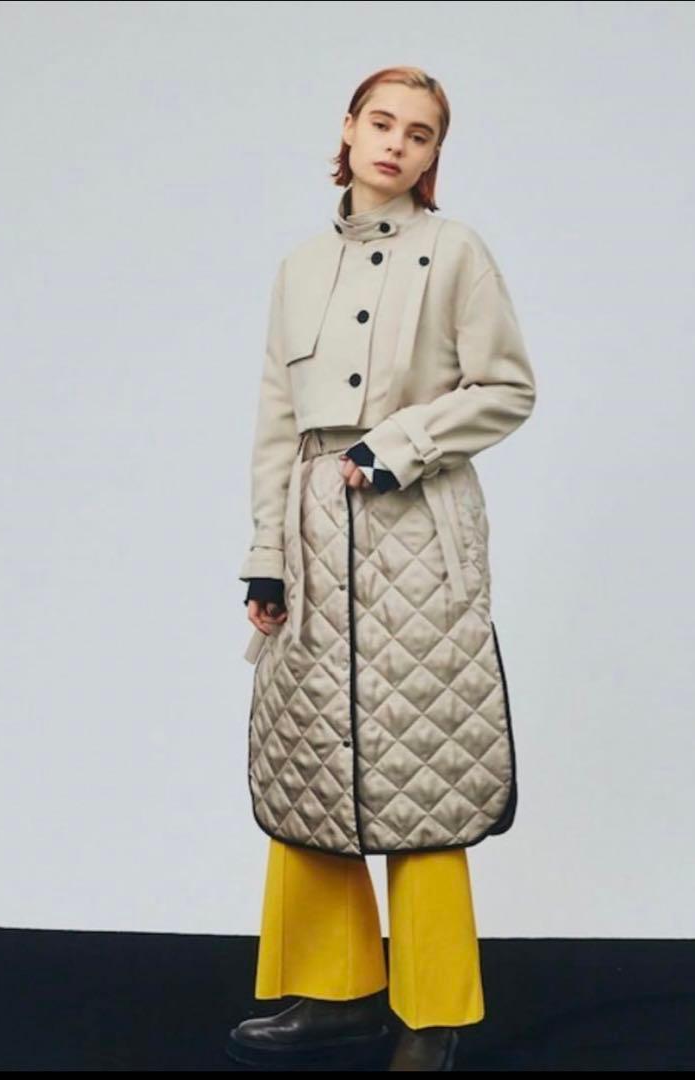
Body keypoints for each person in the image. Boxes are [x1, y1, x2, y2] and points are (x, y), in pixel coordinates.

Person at [227, 65, 536, 1072]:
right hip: (312, 530)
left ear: (434, 152)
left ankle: (432, 1011)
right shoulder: (297, 267)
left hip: (420, 532)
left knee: (426, 762)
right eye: (382, 123)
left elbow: (507, 388)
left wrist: (401, 444)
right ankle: (332, 993)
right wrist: (266, 558)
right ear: (350, 130)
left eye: (420, 132)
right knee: (309, 758)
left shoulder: (457, 252)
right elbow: (276, 423)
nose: (397, 143)